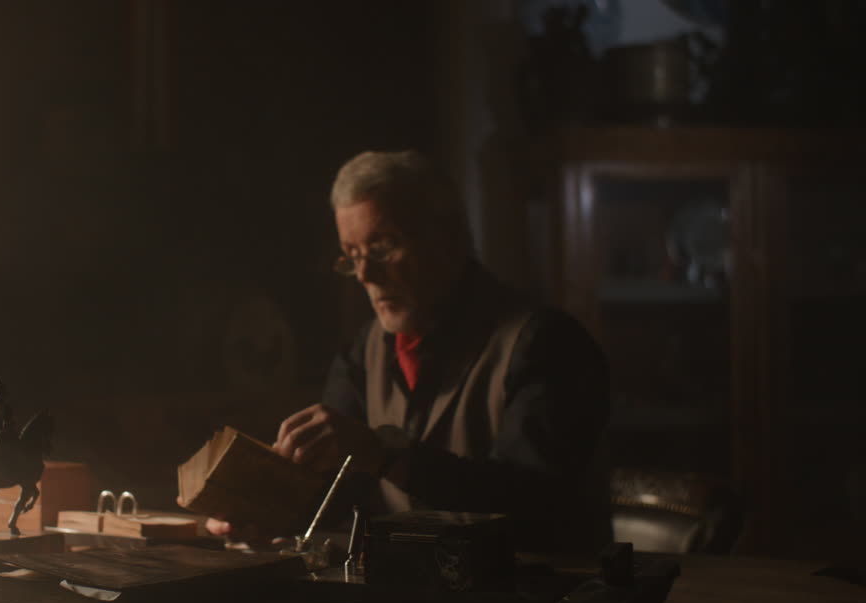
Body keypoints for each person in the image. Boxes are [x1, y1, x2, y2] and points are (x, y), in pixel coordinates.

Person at [218, 150, 612, 553]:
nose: (366, 275)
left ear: (451, 237)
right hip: (412, 601)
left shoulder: (544, 344)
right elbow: (336, 495)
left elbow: (532, 503)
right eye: (352, 256)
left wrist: (389, 456)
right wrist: (260, 512)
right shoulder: (361, 355)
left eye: (383, 247)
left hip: (538, 601)